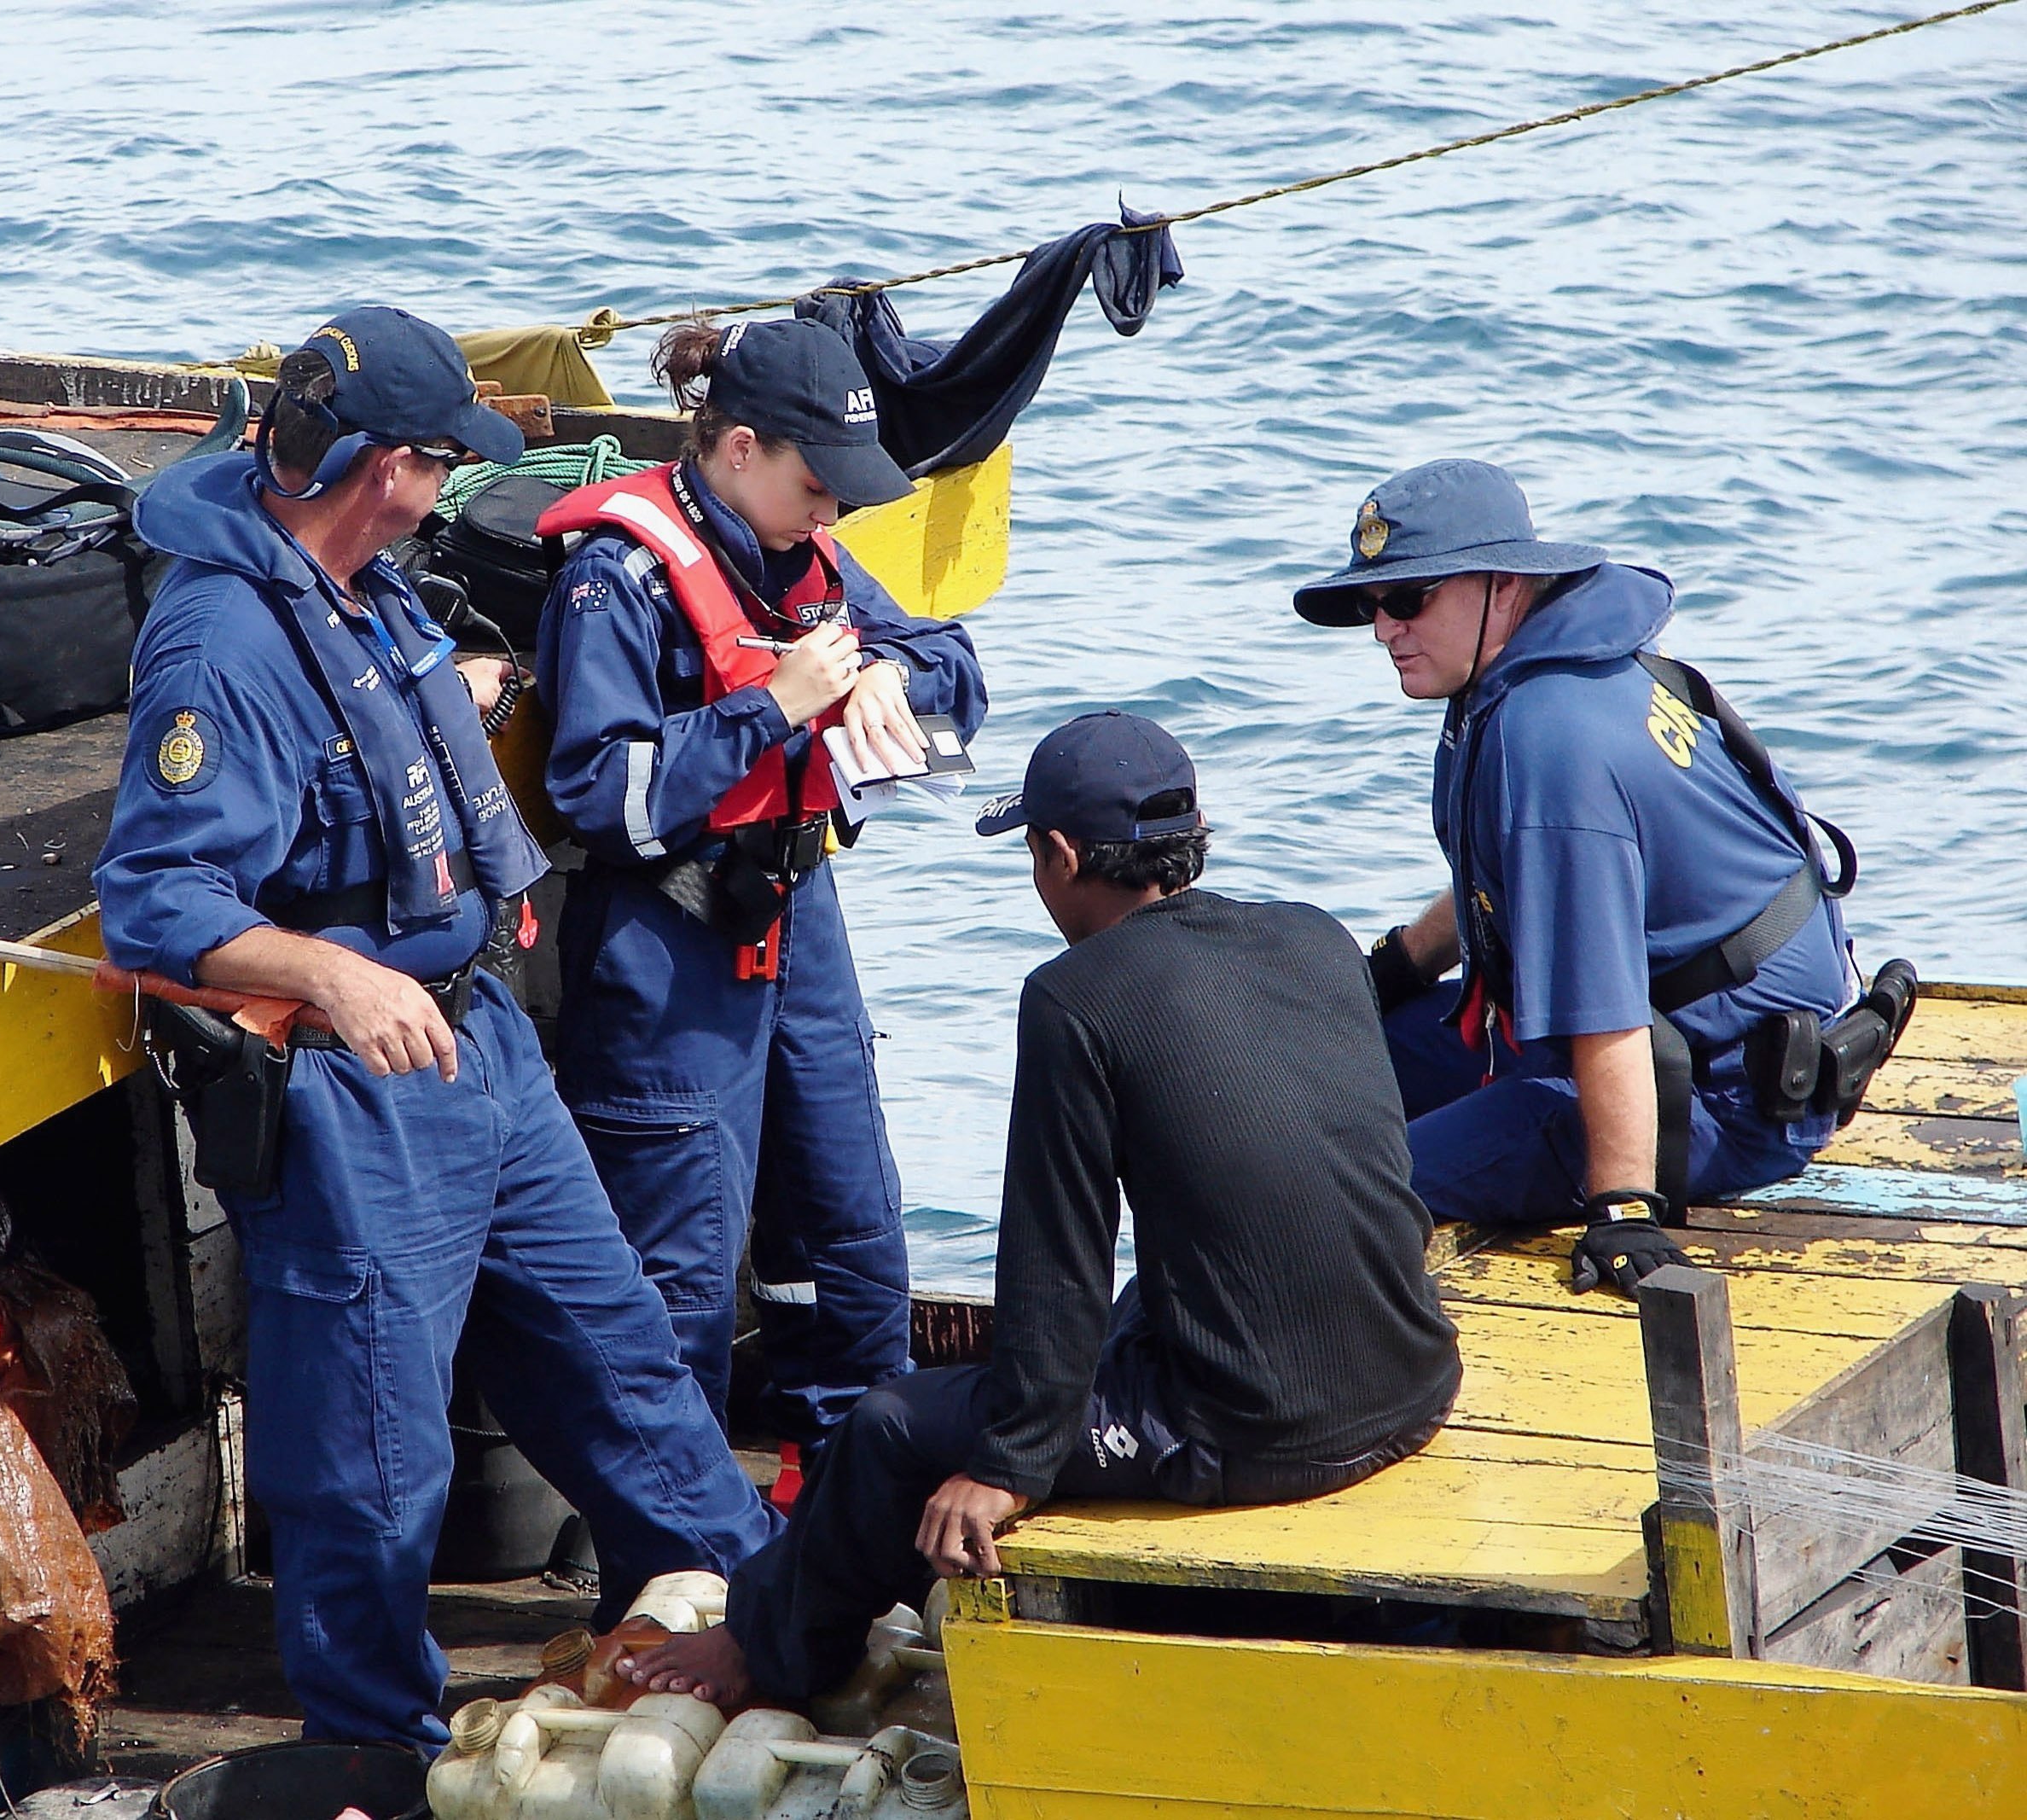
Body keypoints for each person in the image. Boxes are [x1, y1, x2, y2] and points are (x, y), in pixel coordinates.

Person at [93, 305, 778, 1750]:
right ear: (383, 469)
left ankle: (781, 1626)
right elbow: (156, 900)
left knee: (619, 1357)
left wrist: (472, 701)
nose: (446, 490)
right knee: (369, 1453)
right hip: (358, 1094)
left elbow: (397, 711)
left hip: (488, 1057)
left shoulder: (364, 581)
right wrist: (335, 977)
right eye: (439, 463)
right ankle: (380, 1752)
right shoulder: (220, 645)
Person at [618, 712, 1462, 1706]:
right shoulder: (1313, 938)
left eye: (1032, 852)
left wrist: (1012, 1466)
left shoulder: (1074, 998)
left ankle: (769, 1648)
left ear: (1060, 855)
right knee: (1142, 1314)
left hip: (1265, 1434)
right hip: (1411, 1376)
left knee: (887, 1427)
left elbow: (1056, 1260)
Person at [531, 317, 988, 1445]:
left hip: (796, 918)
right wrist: (770, 707)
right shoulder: (616, 581)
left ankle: (844, 1509)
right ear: (739, 449)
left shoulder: (811, 557)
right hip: (666, 946)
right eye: (816, 483)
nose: (833, 512)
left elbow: (959, 667)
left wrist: (886, 671)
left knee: (854, 1236)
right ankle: (671, 1570)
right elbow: (605, 795)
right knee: (674, 1279)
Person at [1292, 457, 1864, 1297]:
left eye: (1409, 601)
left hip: (1719, 1096)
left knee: (1321, 1193)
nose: (1384, 628)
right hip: (1620, 1042)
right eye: (1372, 606)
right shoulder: (1530, 673)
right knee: (1299, 1066)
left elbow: (1606, 1002)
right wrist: (1398, 966)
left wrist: (1623, 1206)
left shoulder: (1552, 737)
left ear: (1503, 584)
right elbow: (1526, 874)